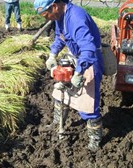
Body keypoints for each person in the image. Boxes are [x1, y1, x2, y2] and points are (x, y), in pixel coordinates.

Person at [34, 0, 104, 151]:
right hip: (75, 56)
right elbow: (60, 37)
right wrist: (52, 54)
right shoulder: (60, 17)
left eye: (47, 15)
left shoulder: (76, 18)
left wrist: (79, 72)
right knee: (59, 92)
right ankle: (57, 123)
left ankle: (95, 140)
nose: (47, 19)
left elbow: (88, 48)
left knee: (88, 103)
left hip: (89, 60)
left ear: (54, 6)